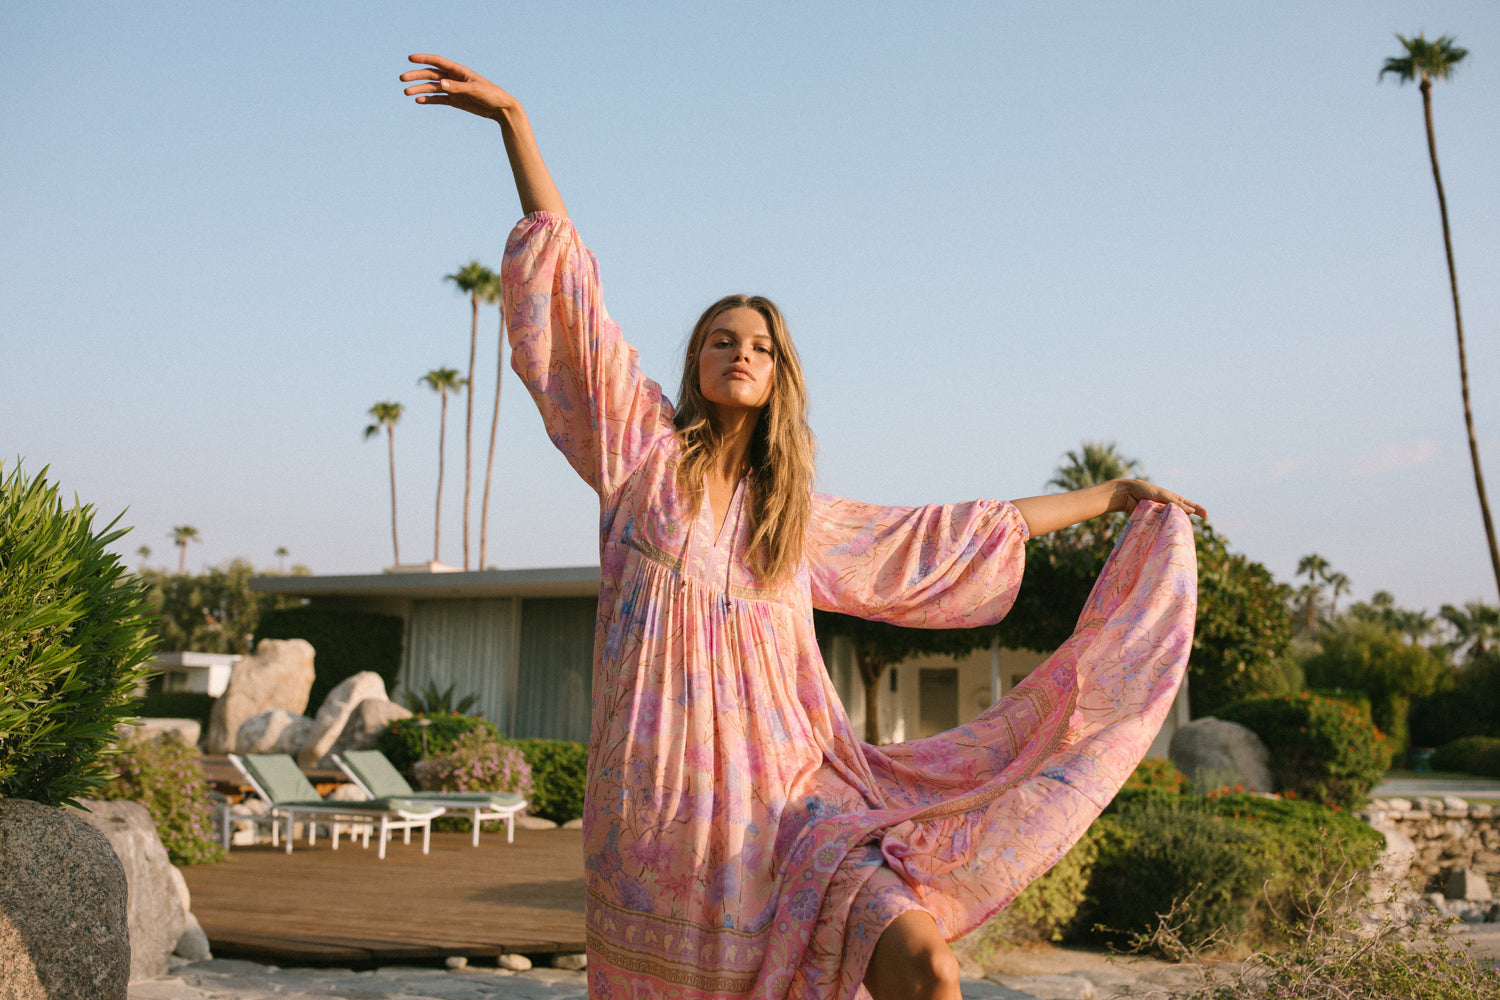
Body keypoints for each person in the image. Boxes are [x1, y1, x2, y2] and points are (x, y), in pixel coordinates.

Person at [400, 54, 1204, 1000]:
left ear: (780, 377)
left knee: (924, 964)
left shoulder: (797, 523)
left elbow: (950, 537)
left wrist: (1111, 498)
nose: (741, 353)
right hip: (660, 813)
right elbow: (573, 299)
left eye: (761, 346)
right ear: (695, 360)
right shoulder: (640, 456)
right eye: (722, 339)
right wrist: (514, 121)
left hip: (793, 805)